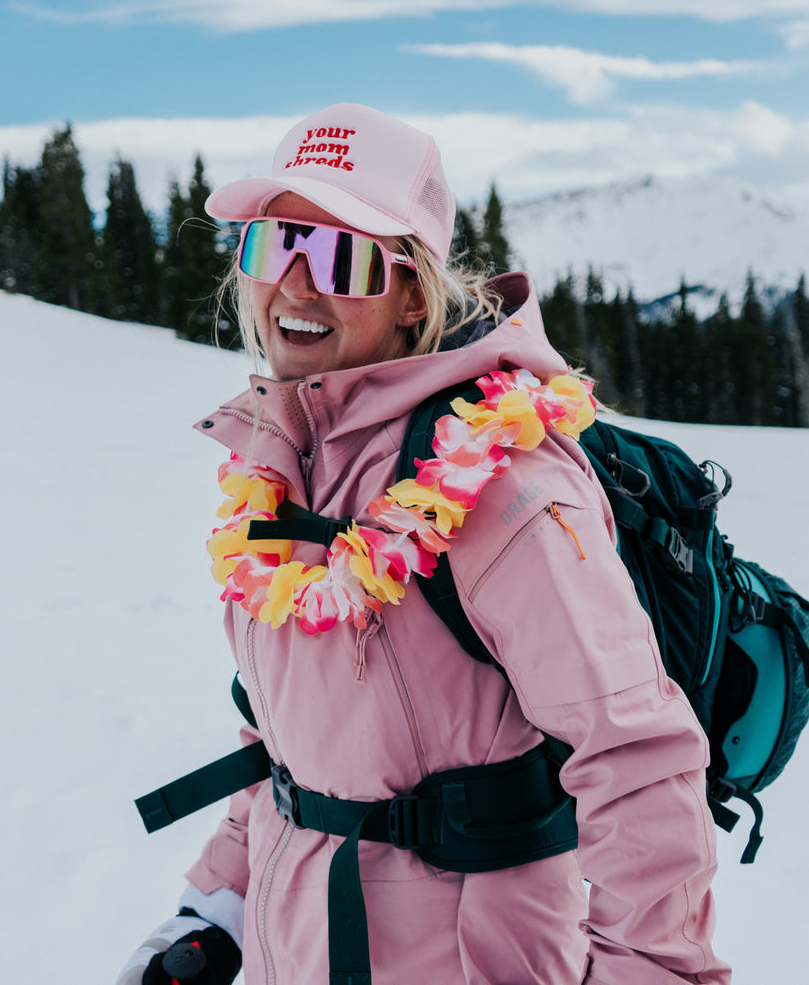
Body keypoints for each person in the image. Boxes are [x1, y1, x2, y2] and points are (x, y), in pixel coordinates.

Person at [116, 103, 730, 985]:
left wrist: (653, 973)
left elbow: (638, 758)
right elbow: (287, 742)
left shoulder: (504, 482)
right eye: (270, 243)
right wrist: (214, 909)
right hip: (306, 939)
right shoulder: (284, 469)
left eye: (339, 258)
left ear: (412, 295)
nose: (293, 285)